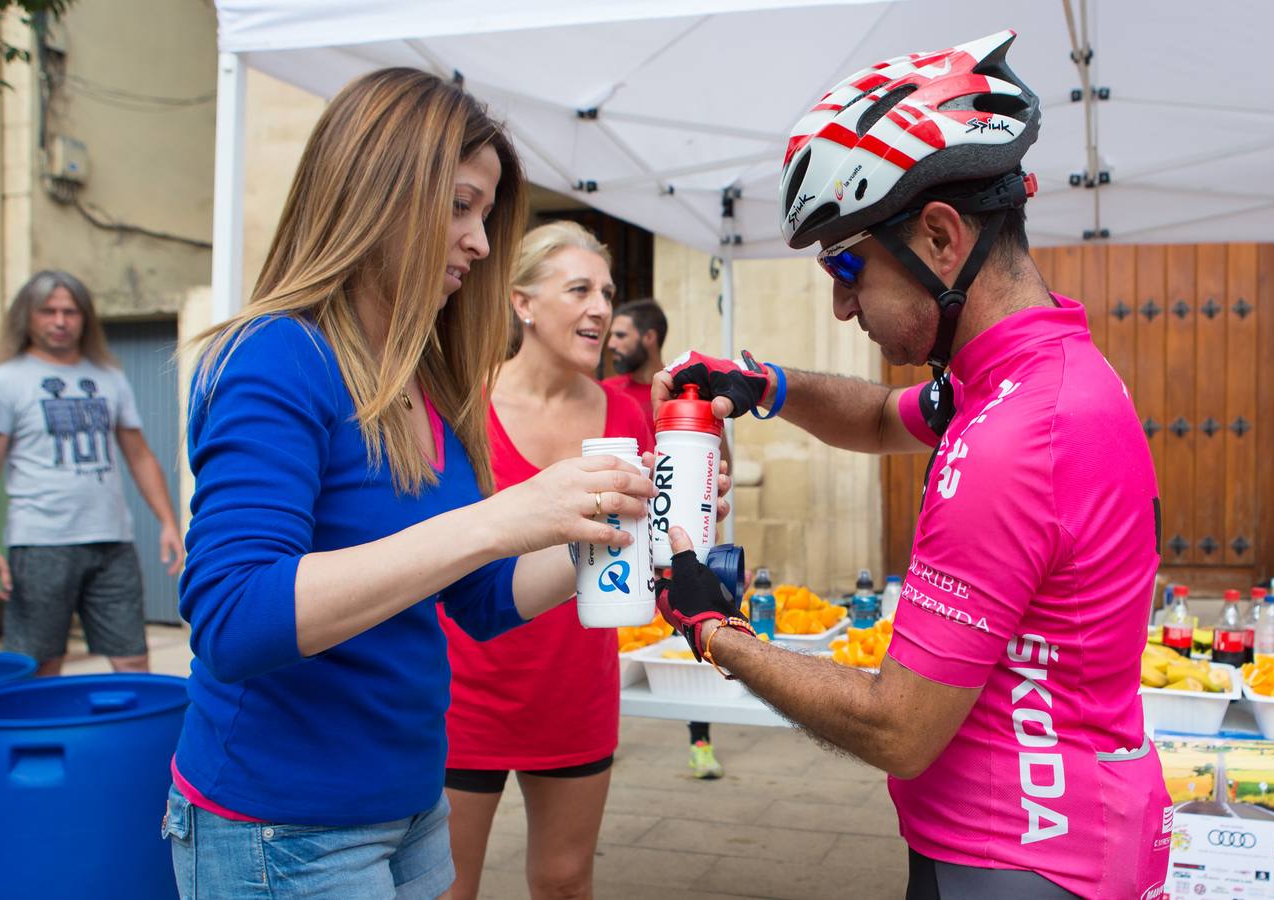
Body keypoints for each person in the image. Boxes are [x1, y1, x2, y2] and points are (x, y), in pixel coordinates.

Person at [652, 32, 1169, 900]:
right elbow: (876, 418)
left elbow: (896, 729)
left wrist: (713, 629)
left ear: (938, 235)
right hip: (1052, 838)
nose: (841, 302)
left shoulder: (1015, 438)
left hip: (1020, 858)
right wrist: (761, 384)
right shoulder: (1028, 374)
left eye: (848, 265)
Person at [164, 69, 654, 899]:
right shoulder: (276, 357)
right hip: (284, 828)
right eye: (460, 205)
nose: (482, 243)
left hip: (409, 808)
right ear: (376, 189)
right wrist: (499, 519)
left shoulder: (423, 382)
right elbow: (234, 616)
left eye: (487, 215)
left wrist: (593, 529)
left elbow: (482, 598)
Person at [438, 221, 652, 899]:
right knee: (446, 886)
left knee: (564, 881)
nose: (600, 307)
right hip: (463, 688)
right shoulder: (461, 403)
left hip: (574, 683)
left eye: (607, 292)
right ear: (522, 303)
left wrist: (691, 517)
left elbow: (642, 548)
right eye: (579, 289)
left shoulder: (627, 417)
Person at [0, 269, 183, 677]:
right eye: (48, 311)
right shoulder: (4, 381)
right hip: (40, 543)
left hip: (112, 541)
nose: (60, 321)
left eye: (70, 311)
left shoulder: (109, 378)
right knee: (41, 663)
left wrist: (168, 522)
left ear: (85, 318)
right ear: (27, 317)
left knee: (133, 657)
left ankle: (137, 741)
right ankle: (41, 737)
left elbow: (139, 456)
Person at [603, 298, 725, 780]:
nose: (612, 344)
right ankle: (603, 727)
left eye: (622, 335)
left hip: (681, 538)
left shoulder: (681, 401)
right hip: (626, 541)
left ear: (649, 338)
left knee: (695, 630)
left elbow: (716, 458)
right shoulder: (605, 394)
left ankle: (700, 741)